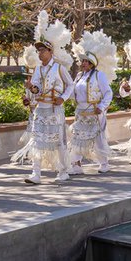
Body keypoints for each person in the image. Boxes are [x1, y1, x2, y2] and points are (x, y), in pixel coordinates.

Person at [13, 12, 75, 184]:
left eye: (42, 50)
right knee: (37, 141)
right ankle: (36, 173)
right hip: (41, 109)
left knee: (58, 141)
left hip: (55, 109)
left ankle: (63, 170)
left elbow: (70, 85)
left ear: (50, 51)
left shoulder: (59, 68)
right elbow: (36, 89)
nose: (39, 53)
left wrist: (63, 98)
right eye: (38, 50)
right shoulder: (38, 70)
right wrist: (31, 89)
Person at [70, 30, 115, 174]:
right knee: (78, 137)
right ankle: (76, 165)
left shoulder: (99, 75)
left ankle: (104, 163)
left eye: (85, 61)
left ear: (91, 64)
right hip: (81, 112)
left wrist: (101, 107)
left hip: (95, 111)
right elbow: (73, 92)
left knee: (98, 138)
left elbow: (108, 93)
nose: (83, 63)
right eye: (82, 61)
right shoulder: (78, 76)